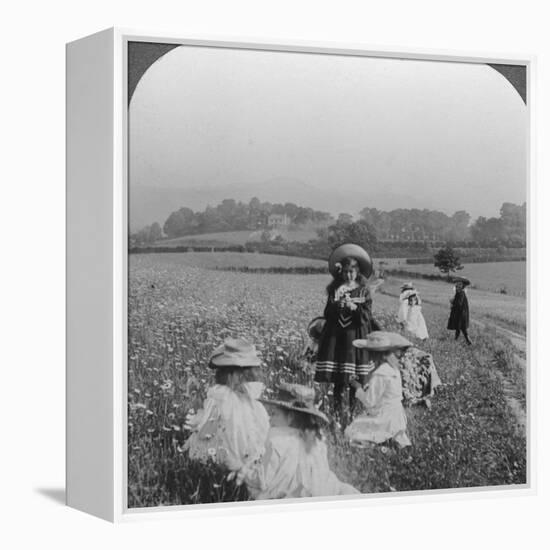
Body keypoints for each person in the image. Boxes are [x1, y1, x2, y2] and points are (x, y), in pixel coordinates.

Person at [235, 382, 359, 500]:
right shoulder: (317, 441)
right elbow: (321, 475)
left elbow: (263, 479)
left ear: (290, 417)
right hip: (318, 492)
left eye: (274, 414)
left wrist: (245, 469)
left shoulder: (277, 440)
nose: (270, 418)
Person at [183, 338, 270, 473]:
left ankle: (216, 460)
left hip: (222, 454)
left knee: (212, 441)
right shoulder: (252, 399)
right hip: (248, 453)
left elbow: (207, 429)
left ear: (226, 373)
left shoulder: (221, 396)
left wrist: (196, 410)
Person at [314, 243, 380, 421]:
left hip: (355, 339)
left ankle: (352, 412)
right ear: (341, 272)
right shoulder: (335, 291)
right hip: (337, 340)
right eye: (346, 272)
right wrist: (337, 306)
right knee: (339, 378)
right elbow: (327, 314)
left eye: (352, 271)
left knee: (354, 378)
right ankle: (336, 411)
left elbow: (366, 316)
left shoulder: (364, 291)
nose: (349, 275)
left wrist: (353, 308)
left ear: (358, 272)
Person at [344, 332, 413, 448]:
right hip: (397, 416)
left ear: (375, 354)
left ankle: (383, 443)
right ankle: (393, 439)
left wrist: (358, 388)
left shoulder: (380, 374)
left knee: (351, 431)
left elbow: (370, 402)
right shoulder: (393, 369)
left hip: (384, 417)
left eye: (369, 352)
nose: (368, 355)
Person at [447, 277, 472, 345]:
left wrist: (453, 302)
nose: (458, 285)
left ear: (463, 286)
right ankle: (458, 339)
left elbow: (459, 303)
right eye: (457, 284)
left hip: (461, 313)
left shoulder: (461, 293)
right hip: (459, 312)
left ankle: (467, 340)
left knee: (461, 327)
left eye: (460, 284)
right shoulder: (459, 293)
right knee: (459, 327)